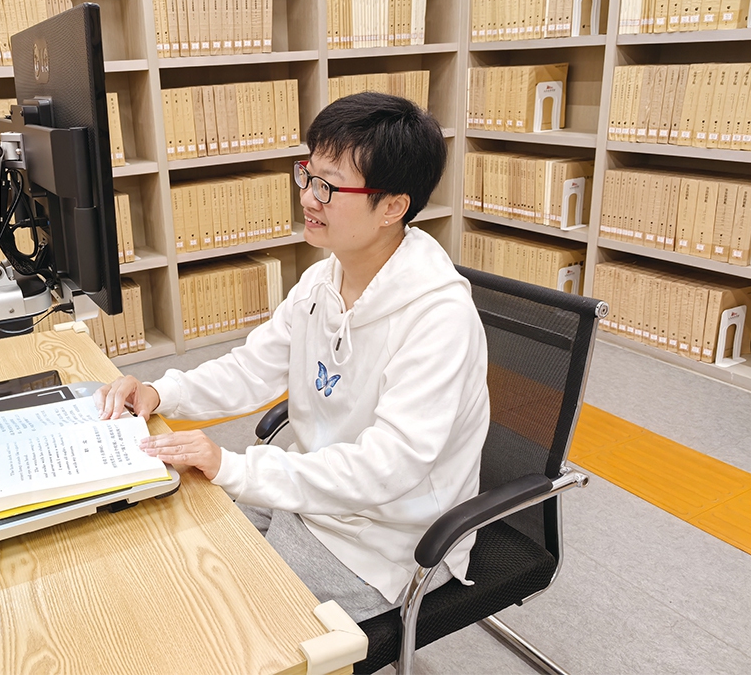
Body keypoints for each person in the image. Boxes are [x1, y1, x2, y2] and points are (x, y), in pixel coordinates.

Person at [95, 92, 489, 622]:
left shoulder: (439, 318)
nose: (309, 196)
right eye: (307, 174)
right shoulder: (323, 279)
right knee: (177, 555)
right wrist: (162, 392)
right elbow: (253, 367)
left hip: (388, 540)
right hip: (310, 491)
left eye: (328, 185)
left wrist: (234, 465)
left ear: (393, 207)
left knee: (222, 616)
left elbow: (386, 467)